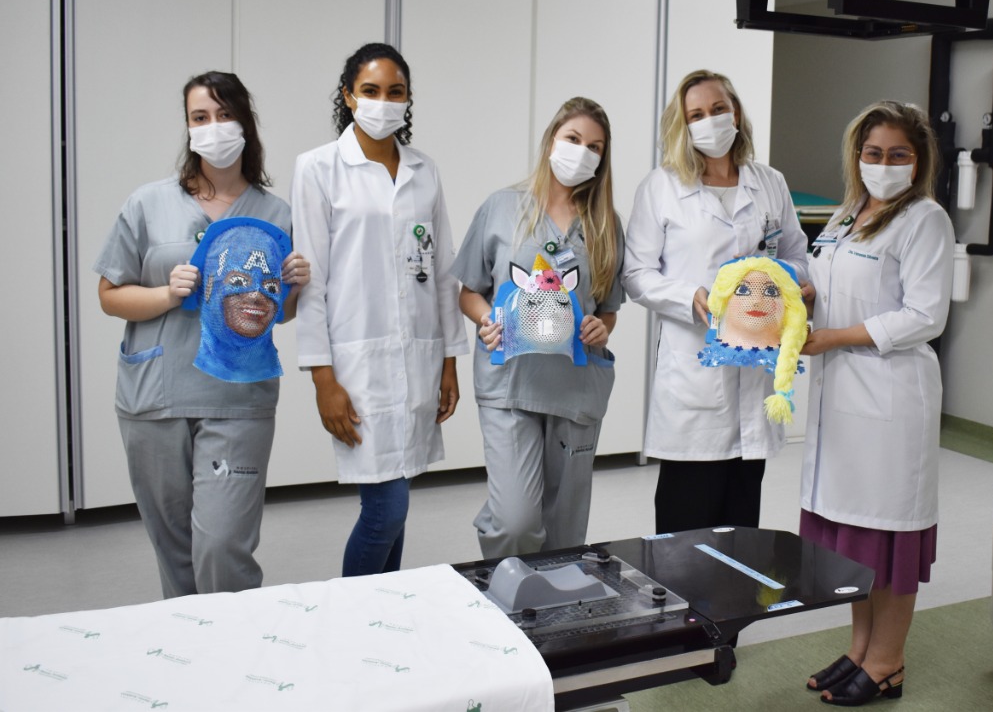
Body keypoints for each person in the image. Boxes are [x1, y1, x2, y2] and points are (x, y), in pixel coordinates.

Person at [95, 71, 310, 598]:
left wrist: (294, 286)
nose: (214, 128)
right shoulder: (148, 204)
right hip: (155, 394)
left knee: (221, 547)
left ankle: (238, 659)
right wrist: (166, 294)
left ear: (245, 124)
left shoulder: (275, 214)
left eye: (224, 114)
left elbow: (278, 315)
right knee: (175, 555)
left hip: (236, 397)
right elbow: (109, 294)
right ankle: (189, 661)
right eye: (200, 117)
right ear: (188, 129)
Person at [799, 100, 955, 706]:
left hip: (891, 398)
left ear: (917, 162)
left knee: (888, 540)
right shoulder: (846, 214)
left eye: (897, 155)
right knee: (852, 540)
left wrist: (833, 336)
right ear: (856, 156)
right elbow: (830, 284)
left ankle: (888, 661)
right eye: (872, 153)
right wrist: (791, 292)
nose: (882, 164)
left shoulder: (925, 220)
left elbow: (925, 314)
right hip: (841, 397)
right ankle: (860, 649)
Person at [291, 43, 468, 576]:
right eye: (370, 91)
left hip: (417, 359)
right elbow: (311, 282)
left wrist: (449, 361)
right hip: (356, 365)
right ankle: (351, 618)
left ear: (408, 99)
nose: (383, 102)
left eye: (395, 92)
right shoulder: (318, 169)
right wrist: (323, 379)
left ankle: (384, 616)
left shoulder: (423, 170)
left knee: (398, 504)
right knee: (385, 510)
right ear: (348, 97)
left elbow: (442, 274)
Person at [622, 69, 810, 534]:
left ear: (736, 112)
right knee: (684, 534)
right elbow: (636, 273)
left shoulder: (770, 183)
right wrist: (692, 297)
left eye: (718, 109)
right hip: (694, 379)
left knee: (742, 530)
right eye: (696, 115)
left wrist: (785, 285)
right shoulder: (662, 187)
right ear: (682, 127)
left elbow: (796, 255)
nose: (710, 122)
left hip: (755, 365)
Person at [452, 97, 625, 559]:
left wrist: (601, 328)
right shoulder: (503, 208)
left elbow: (607, 308)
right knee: (516, 522)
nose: (582, 153)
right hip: (511, 382)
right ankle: (504, 595)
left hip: (576, 386)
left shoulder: (605, 224)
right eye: (573, 139)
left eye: (595, 147)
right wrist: (486, 319)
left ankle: (550, 619)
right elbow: (468, 291)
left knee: (565, 532)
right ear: (552, 140)